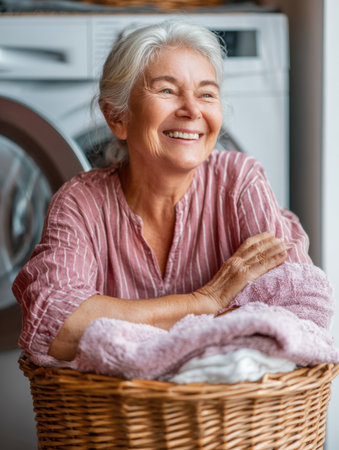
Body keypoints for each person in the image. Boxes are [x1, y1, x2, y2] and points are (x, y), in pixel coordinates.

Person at [12, 21, 311, 364]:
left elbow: (292, 314)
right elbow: (55, 325)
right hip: (115, 414)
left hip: (228, 414)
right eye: (167, 91)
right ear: (117, 117)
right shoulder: (81, 203)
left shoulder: (238, 182)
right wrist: (205, 302)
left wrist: (120, 325)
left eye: (206, 94)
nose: (192, 110)